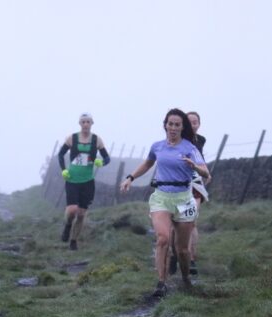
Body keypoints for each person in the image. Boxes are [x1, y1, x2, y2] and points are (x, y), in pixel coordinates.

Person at [120, 108, 210, 297]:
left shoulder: (190, 148)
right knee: (162, 239)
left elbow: (206, 173)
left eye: (177, 125)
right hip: (161, 196)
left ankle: (186, 278)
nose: (173, 128)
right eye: (170, 124)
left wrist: (194, 167)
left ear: (182, 127)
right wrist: (130, 178)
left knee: (183, 250)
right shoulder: (157, 146)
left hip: (184, 198)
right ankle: (161, 283)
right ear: (165, 125)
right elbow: (147, 163)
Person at [57, 113, 110, 250]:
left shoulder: (97, 140)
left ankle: (73, 241)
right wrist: (64, 170)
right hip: (72, 179)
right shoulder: (72, 138)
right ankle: (68, 225)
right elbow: (60, 154)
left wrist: (101, 162)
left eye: (88, 122)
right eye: (83, 122)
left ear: (92, 123)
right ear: (79, 124)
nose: (86, 124)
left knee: (81, 214)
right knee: (72, 210)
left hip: (87, 182)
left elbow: (107, 158)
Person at [168, 111, 210, 275]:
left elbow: (200, 161)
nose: (193, 124)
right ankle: (173, 255)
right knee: (175, 224)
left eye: (195, 122)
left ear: (199, 124)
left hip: (195, 185)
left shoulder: (200, 141)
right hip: (177, 185)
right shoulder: (177, 139)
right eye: (190, 121)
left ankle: (191, 259)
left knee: (191, 221)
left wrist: (206, 173)